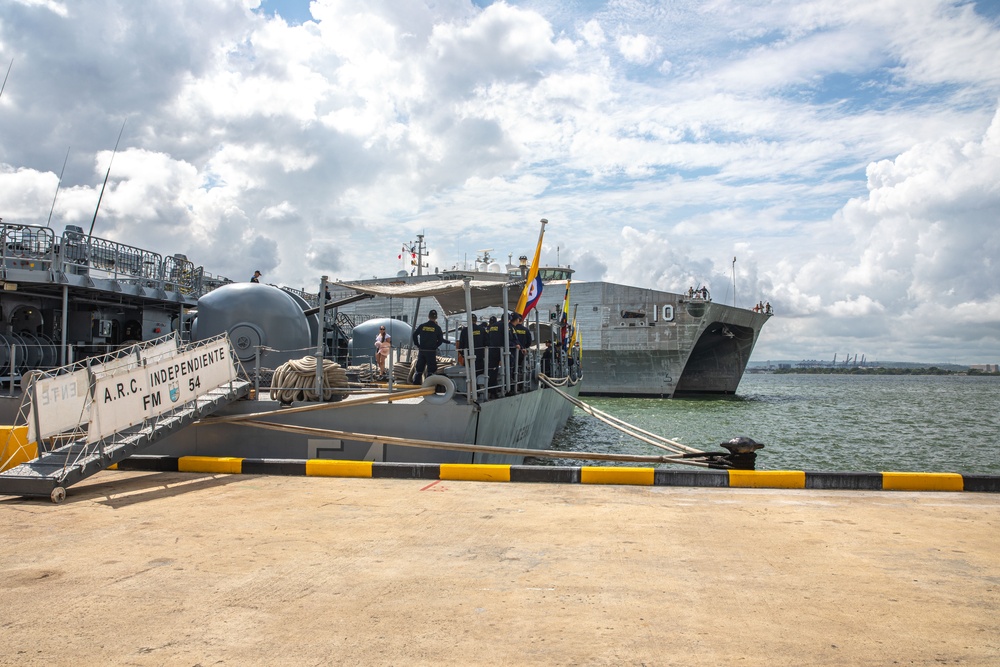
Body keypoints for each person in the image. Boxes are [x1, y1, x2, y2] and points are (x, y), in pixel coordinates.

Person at [411, 309, 446, 385]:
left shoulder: (422, 326)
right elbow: (440, 340)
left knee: (419, 369)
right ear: (436, 318)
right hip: (431, 352)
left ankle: (416, 386)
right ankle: (429, 386)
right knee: (431, 370)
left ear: (428, 317)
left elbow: (414, 335)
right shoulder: (437, 328)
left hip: (422, 350)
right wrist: (435, 346)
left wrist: (418, 344)